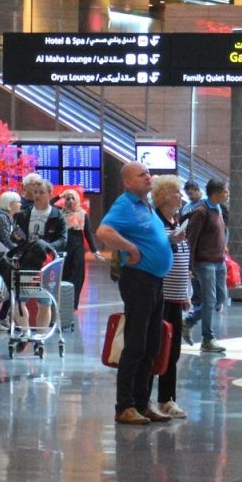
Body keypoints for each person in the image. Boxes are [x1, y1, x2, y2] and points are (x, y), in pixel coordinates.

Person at [96, 161, 173, 426]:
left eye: (148, 173)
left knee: (152, 344)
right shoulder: (125, 204)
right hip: (138, 280)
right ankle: (125, 406)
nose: (148, 177)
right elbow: (103, 231)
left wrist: (168, 241)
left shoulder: (144, 205)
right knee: (136, 344)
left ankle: (142, 402)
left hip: (154, 280)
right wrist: (130, 248)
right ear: (128, 182)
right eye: (142, 175)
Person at [151, 175, 191, 420]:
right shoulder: (155, 222)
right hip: (160, 296)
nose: (181, 196)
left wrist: (185, 292)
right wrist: (169, 240)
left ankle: (167, 399)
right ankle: (146, 399)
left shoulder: (176, 221)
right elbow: (153, 248)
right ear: (164, 196)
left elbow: (182, 261)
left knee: (172, 351)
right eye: (176, 192)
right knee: (155, 348)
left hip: (175, 297)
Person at [14, 174, 65, 331]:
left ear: (49, 194)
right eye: (35, 192)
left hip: (46, 262)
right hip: (27, 261)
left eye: (41, 192)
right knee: (20, 300)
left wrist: (46, 246)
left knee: (44, 302)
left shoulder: (58, 215)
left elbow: (63, 240)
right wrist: (17, 238)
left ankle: (41, 336)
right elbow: (15, 237)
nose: (37, 195)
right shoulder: (24, 214)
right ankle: (25, 332)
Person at [186, 178, 230, 353]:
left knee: (220, 298)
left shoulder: (218, 208)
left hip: (219, 261)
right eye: (225, 191)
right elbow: (191, 240)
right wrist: (190, 267)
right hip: (205, 263)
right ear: (216, 193)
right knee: (210, 300)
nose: (227, 194)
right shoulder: (201, 211)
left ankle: (189, 321)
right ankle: (207, 338)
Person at [0, 190, 22, 331]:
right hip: (2, 259)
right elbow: (6, 240)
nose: (20, 205)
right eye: (18, 202)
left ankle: (2, 317)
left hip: (8, 258)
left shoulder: (9, 218)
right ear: (10, 204)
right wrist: (19, 250)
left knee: (10, 288)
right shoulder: (1, 218)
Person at [58, 188, 90, 330]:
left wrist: (95, 250)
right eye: (68, 198)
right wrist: (60, 195)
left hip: (77, 249)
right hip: (64, 249)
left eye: (72, 198)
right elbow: (50, 204)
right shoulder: (60, 214)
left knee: (76, 277)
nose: (70, 201)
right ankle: (62, 304)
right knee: (63, 277)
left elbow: (88, 234)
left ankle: (73, 305)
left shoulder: (82, 214)